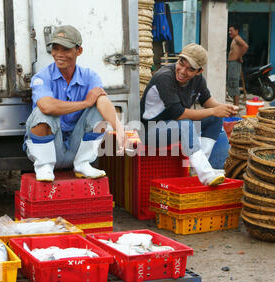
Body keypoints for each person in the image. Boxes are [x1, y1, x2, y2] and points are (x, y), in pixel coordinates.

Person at [23, 25, 125, 182]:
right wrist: (85, 103)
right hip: (49, 148)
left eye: (66, 49)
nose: (59, 54)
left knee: (99, 110)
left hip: (76, 147)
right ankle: (44, 166)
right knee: (42, 112)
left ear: (79, 51)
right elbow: (46, 106)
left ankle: (83, 164)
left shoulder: (90, 76)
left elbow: (103, 100)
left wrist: (120, 131)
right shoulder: (42, 76)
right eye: (55, 49)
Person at [140, 43, 239, 186]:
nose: (182, 71)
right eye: (181, 63)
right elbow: (179, 114)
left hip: (173, 127)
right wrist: (213, 110)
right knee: (185, 124)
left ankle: (198, 168)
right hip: (150, 131)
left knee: (215, 118)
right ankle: (205, 174)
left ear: (199, 71)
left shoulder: (198, 79)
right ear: (178, 59)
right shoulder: (164, 77)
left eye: (190, 69)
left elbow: (206, 100)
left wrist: (224, 108)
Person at [227, 24, 249, 106]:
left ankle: (236, 106)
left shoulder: (237, 38)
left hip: (235, 64)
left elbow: (246, 46)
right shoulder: (234, 40)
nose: (230, 32)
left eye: (231, 30)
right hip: (232, 64)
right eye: (229, 30)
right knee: (232, 84)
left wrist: (239, 56)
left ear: (236, 31)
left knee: (234, 84)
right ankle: (234, 105)